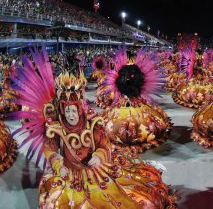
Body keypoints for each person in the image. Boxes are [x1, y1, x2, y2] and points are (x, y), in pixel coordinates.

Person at [10, 47, 177, 209]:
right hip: (69, 175)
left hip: (98, 170)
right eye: (67, 110)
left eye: (74, 110)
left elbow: (104, 143)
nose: (71, 115)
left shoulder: (91, 124)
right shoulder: (57, 129)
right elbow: (50, 148)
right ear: (61, 110)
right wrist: (57, 163)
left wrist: (99, 155)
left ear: (80, 109)